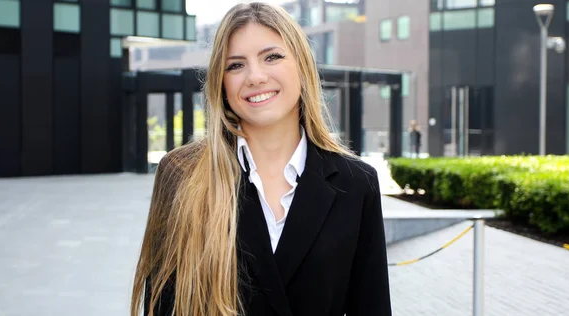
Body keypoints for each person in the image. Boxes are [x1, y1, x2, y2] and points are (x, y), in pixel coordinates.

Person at [131, 3, 392, 316]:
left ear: (302, 66)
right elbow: (161, 307)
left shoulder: (356, 182)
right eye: (235, 65)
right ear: (221, 83)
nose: (255, 76)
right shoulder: (182, 173)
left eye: (272, 57)